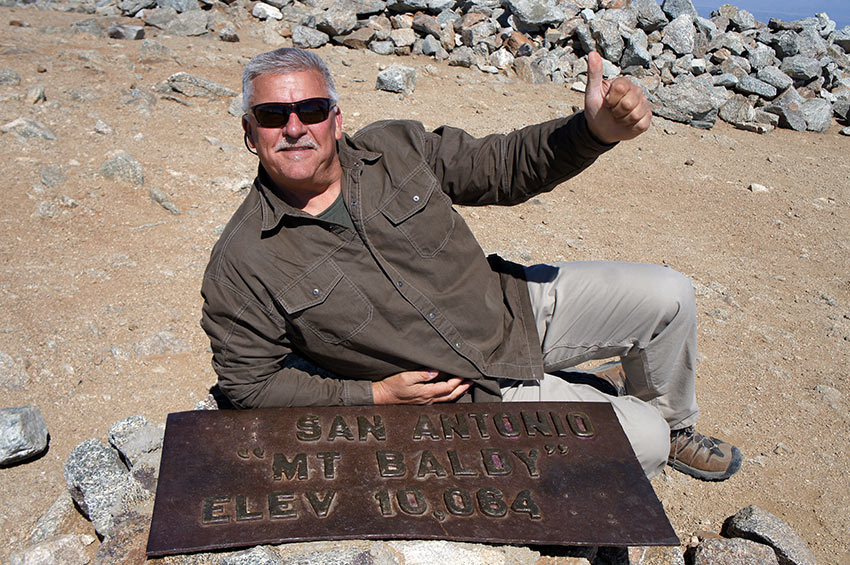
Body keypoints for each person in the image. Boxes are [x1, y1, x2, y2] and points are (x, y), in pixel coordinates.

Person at [201, 47, 742, 482]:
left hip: (511, 306)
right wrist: (376, 395)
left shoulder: (395, 147)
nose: (294, 127)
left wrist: (593, 131)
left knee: (668, 296)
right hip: (469, 389)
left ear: (335, 120)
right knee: (637, 440)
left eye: (310, 110)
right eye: (273, 115)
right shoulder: (242, 262)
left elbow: (500, 167)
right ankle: (626, 416)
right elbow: (250, 385)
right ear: (250, 132)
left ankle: (676, 428)